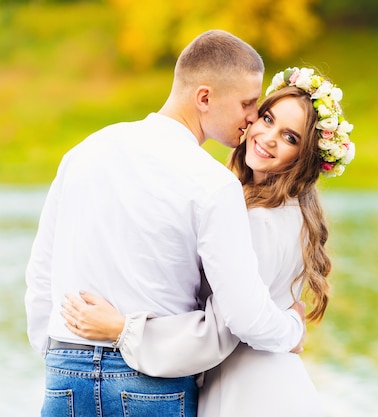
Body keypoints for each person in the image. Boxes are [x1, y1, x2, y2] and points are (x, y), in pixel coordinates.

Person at [24, 31, 306, 417]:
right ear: (204, 98)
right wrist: (292, 327)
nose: (253, 116)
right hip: (150, 384)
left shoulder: (84, 151)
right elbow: (243, 315)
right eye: (247, 103)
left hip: (64, 371)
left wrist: (56, 352)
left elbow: (41, 274)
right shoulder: (213, 182)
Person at [61, 67, 356, 416]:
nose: (269, 137)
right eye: (267, 118)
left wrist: (123, 329)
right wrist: (290, 329)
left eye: (291, 137)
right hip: (268, 382)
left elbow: (230, 326)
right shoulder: (290, 212)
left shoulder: (258, 219)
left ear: (304, 158)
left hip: (248, 390)